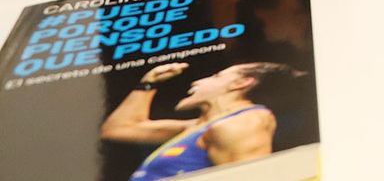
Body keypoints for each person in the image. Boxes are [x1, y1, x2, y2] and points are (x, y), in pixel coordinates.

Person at [100, 60, 300, 180]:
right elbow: (118, 129)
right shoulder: (199, 127)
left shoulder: (245, 121)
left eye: (215, 76)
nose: (198, 81)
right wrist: (148, 82)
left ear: (241, 83)